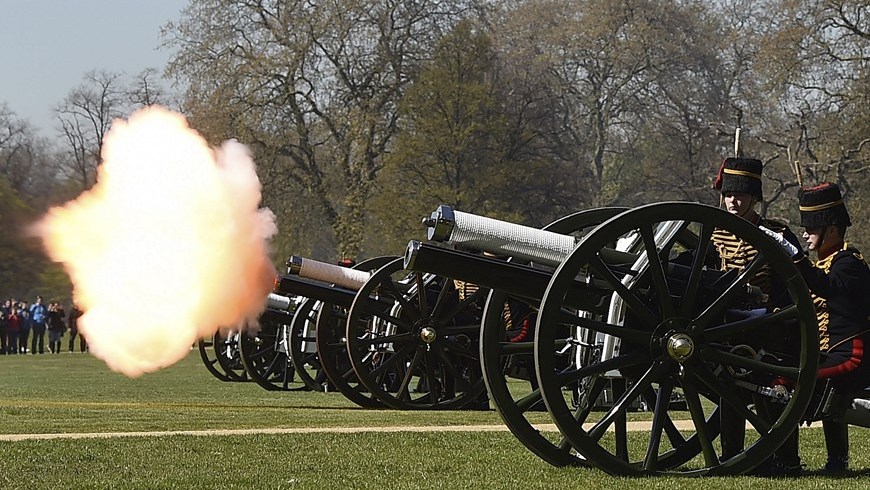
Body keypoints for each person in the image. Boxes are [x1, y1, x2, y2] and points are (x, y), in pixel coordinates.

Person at [762, 182, 870, 474]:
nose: (806, 234)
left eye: (812, 228)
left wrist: (795, 257)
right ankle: (792, 459)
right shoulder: (819, 264)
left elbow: (828, 288)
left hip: (850, 355)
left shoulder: (849, 261)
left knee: (791, 382)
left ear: (831, 229)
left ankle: (820, 460)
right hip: (825, 353)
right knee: (781, 375)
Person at [711, 157, 803, 474]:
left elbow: (796, 280)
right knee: (730, 389)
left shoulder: (775, 233)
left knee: (774, 392)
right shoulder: (714, 234)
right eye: (728, 194)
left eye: (740, 195)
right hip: (727, 326)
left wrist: (778, 313)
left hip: (770, 324)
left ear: (754, 197)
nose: (733, 201)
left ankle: (785, 459)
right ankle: (733, 456)